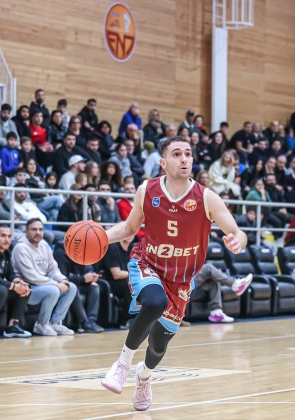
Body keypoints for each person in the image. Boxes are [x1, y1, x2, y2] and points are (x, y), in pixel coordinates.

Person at [100, 136, 248, 411]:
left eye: (188, 154)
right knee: (155, 302)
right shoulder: (147, 190)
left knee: (158, 346)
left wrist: (237, 240)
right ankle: (122, 364)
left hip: (180, 279)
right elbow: (129, 229)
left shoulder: (206, 197)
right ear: (163, 162)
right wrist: (101, 237)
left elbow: (237, 231)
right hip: (148, 263)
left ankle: (144, 376)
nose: (184, 159)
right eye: (177, 154)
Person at [12, 218, 77, 336]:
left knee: (71, 287)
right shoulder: (20, 248)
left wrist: (62, 280)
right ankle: (41, 324)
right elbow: (31, 276)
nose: (38, 232)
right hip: (26, 289)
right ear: (26, 232)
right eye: (34, 229)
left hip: (43, 285)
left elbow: (53, 269)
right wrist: (56, 284)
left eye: (40, 229)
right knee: (53, 290)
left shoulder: (44, 245)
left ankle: (55, 323)